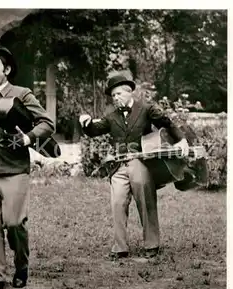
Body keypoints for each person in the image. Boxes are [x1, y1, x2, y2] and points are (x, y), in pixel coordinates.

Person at [0, 46, 55, 289]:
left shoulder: (22, 94)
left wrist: (27, 139)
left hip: (15, 168)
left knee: (15, 222)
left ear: (6, 70)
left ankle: (21, 266)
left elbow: (47, 123)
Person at [79, 74, 189, 260]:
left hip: (141, 163)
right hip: (119, 167)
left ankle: (151, 244)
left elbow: (166, 122)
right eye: (112, 95)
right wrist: (87, 124)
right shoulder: (111, 116)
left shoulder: (145, 109)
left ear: (130, 93)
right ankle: (120, 247)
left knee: (146, 201)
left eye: (118, 94)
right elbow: (94, 131)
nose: (115, 98)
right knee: (117, 203)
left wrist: (182, 140)